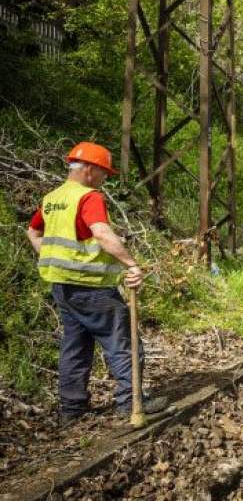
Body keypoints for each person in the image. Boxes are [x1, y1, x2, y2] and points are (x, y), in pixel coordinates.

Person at [25, 141, 167, 424]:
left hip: (62, 287)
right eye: (104, 173)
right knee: (123, 340)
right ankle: (131, 402)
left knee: (75, 346)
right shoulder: (89, 198)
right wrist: (131, 264)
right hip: (91, 287)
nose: (105, 179)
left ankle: (71, 409)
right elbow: (101, 233)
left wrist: (53, 257)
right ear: (89, 170)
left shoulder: (53, 198)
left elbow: (32, 232)